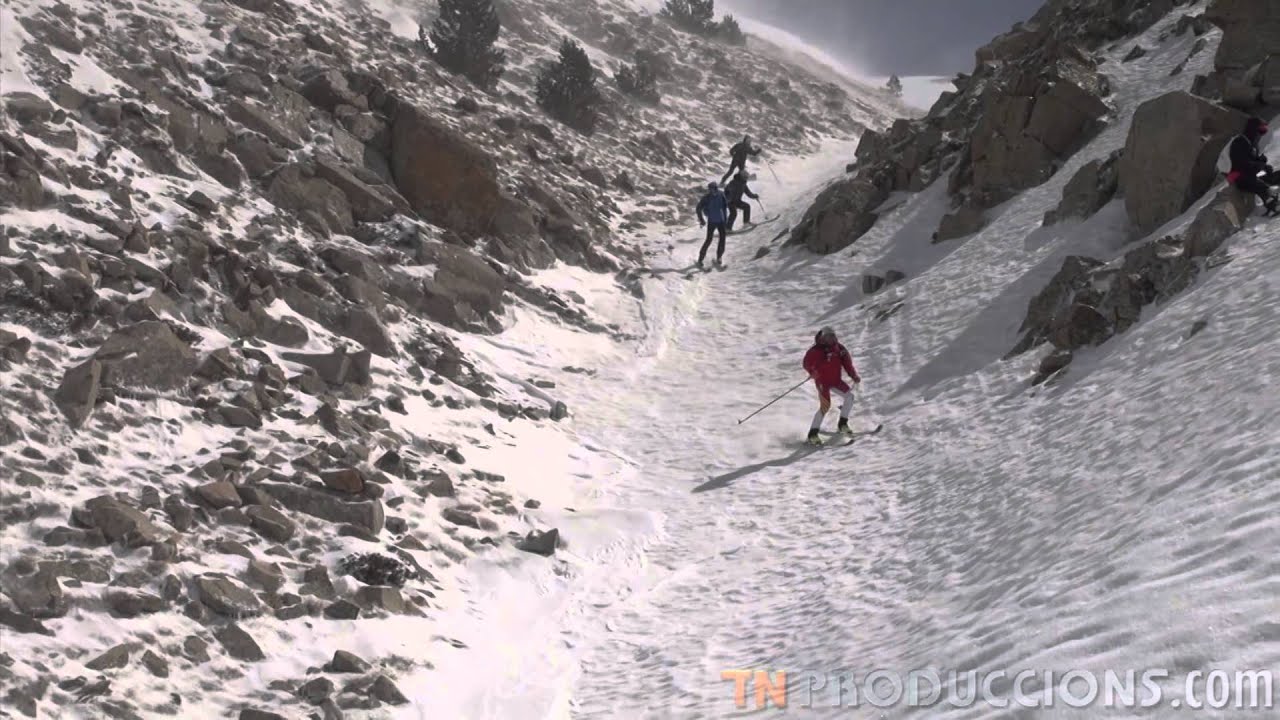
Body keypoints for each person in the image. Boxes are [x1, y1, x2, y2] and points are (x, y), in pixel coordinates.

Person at [801, 326, 861, 445]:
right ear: (822, 338)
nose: (832, 339)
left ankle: (842, 424)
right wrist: (812, 371)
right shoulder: (816, 350)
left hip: (836, 381)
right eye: (829, 337)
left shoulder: (839, 349)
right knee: (825, 406)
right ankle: (812, 434)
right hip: (822, 382)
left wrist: (853, 376)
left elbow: (847, 364)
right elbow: (806, 363)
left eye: (833, 336)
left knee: (850, 397)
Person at [1226, 116, 1280, 215]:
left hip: (1250, 174)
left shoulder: (1251, 143)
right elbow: (1241, 164)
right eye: (1259, 131)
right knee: (1262, 186)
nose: (1260, 135)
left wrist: (1263, 164)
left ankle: (1273, 200)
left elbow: (1254, 160)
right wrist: (1259, 165)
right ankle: (1273, 205)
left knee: (1275, 176)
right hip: (1237, 176)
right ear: (1253, 129)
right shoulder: (1239, 142)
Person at [696, 182, 729, 267]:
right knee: (709, 240)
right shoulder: (706, 198)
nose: (712, 191)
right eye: (710, 189)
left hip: (721, 221)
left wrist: (725, 219)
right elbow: (698, 208)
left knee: (722, 239)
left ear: (716, 188)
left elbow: (725, 207)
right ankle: (700, 259)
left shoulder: (721, 195)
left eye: (714, 189)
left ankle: (719, 257)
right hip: (712, 221)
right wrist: (702, 220)